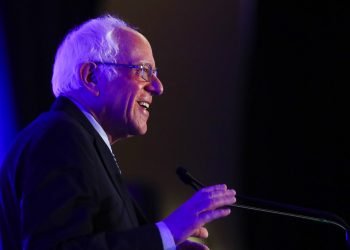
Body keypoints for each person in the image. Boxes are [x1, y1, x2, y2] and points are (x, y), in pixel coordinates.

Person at [0, 15, 236, 250]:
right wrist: (166, 232)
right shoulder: (60, 138)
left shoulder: (75, 138)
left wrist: (164, 246)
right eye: (143, 70)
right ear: (91, 77)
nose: (158, 86)